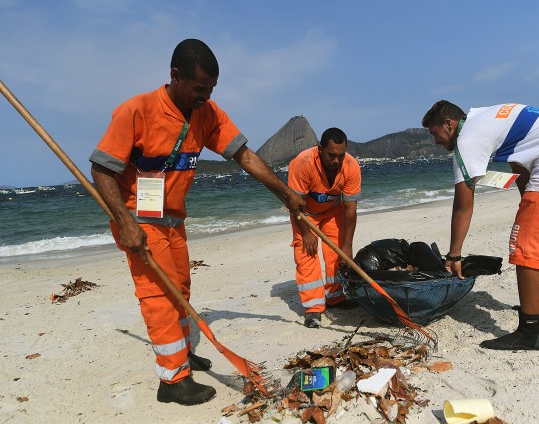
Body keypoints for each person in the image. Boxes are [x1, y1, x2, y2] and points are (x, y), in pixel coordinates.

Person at [89, 39, 305, 405]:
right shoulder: (136, 111)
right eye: (199, 88)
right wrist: (125, 223)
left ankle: (183, 353)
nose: (206, 96)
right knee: (159, 294)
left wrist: (285, 193)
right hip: (139, 220)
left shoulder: (206, 114)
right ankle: (172, 380)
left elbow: (244, 156)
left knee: (181, 288)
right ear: (175, 76)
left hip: (172, 218)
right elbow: (101, 169)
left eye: (211, 89)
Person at [422, 101, 539, 351]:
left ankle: (530, 332)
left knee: (528, 246)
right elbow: (521, 166)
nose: (435, 142)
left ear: (449, 124)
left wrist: (455, 254)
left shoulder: (467, 139)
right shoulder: (488, 117)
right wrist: (531, 207)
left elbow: (463, 203)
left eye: (434, 133)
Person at [287, 127, 362, 329]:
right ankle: (313, 308)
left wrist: (347, 246)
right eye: (331, 155)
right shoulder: (303, 162)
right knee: (306, 252)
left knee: (337, 253)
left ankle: (335, 297)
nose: (336, 161)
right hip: (305, 214)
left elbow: (350, 210)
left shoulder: (351, 166)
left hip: (332, 212)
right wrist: (305, 233)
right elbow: (295, 204)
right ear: (320, 149)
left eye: (340, 155)